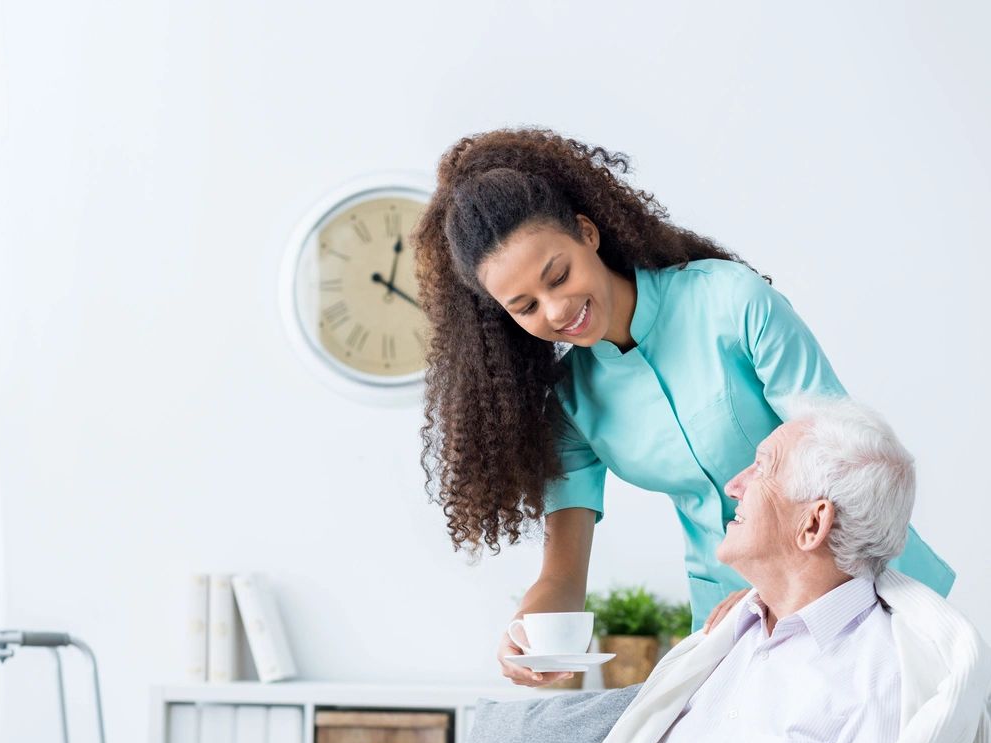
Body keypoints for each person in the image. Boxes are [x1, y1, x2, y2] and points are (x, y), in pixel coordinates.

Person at [409, 127, 954, 687]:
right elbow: (563, 575)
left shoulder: (729, 301)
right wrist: (531, 630)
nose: (556, 309)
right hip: (731, 622)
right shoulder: (571, 402)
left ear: (587, 234)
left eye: (560, 275)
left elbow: (847, 461)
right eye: (525, 306)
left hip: (867, 587)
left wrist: (779, 586)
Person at [539, 398, 991, 743]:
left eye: (762, 466)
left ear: (812, 525)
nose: (734, 485)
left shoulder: (881, 681)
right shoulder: (722, 642)